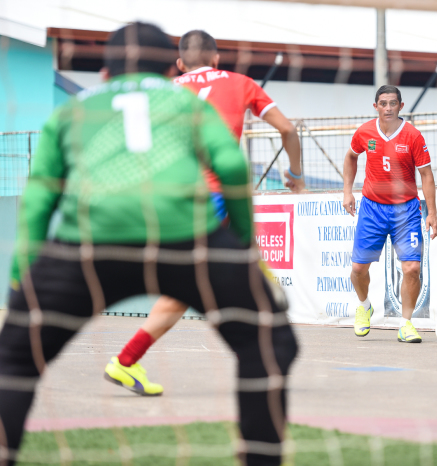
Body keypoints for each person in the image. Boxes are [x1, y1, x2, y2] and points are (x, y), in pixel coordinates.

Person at [0, 23, 296, 466]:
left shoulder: (74, 110)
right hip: (186, 239)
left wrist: (23, 280)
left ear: (104, 73)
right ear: (167, 69)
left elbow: (40, 198)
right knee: (272, 343)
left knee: (15, 361)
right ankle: (260, 456)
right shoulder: (185, 102)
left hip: (90, 245)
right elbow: (232, 167)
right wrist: (241, 246)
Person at [105, 29, 304, 396]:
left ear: (179, 63)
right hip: (216, 198)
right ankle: (266, 337)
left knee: (184, 289)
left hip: (171, 199)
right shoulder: (241, 82)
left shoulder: (165, 90)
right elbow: (288, 129)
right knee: (208, 285)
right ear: (216, 58)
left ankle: (126, 361)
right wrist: (294, 174)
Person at [342, 85, 437, 343]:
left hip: (405, 210)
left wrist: (433, 213)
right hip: (372, 208)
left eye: (392, 103)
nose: (388, 108)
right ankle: (364, 306)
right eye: (383, 103)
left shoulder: (413, 136)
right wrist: (347, 192)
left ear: (401, 106)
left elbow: (426, 175)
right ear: (376, 106)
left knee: (411, 269)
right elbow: (351, 157)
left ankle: (406, 324)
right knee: (358, 268)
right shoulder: (364, 132)